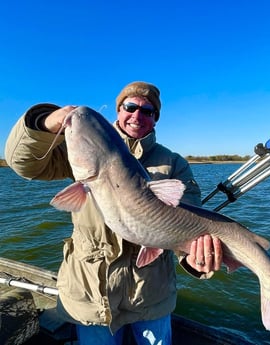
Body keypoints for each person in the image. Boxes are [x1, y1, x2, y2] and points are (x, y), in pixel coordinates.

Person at [5, 81, 223, 345]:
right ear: (119, 110)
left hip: (151, 294)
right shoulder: (80, 144)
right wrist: (47, 120)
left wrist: (196, 258)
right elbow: (23, 163)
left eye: (148, 111)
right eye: (130, 106)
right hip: (92, 294)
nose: (137, 115)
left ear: (155, 119)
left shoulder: (174, 163)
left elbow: (187, 223)